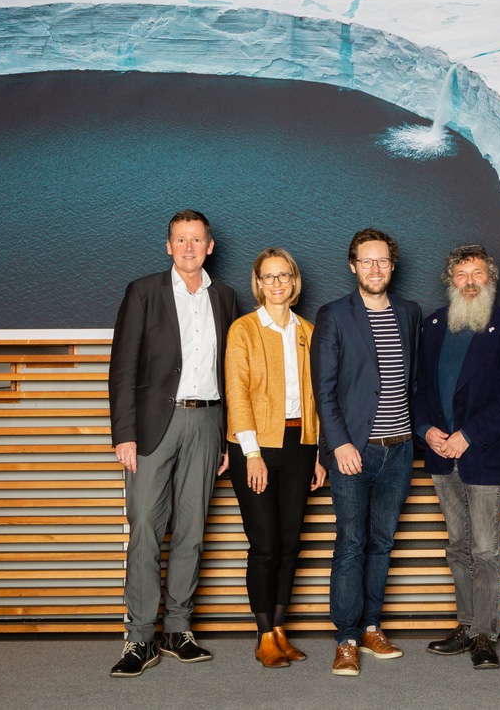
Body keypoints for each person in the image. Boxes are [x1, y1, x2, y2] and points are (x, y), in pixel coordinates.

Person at [107, 210, 238, 678]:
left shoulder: (225, 297)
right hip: (152, 427)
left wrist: (227, 437)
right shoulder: (143, 292)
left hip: (207, 424)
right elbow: (122, 367)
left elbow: (233, 374)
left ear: (210, 246)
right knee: (144, 525)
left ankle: (178, 629)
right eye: (180, 240)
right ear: (168, 247)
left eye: (196, 240)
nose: (188, 247)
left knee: (192, 529)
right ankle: (139, 636)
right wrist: (123, 434)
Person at [311, 228, 422, 677]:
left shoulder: (410, 313)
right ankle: (346, 639)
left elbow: (413, 381)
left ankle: (372, 625)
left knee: (382, 543)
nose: (375, 269)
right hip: (353, 453)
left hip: (399, 452)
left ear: (392, 267)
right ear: (353, 265)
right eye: (366, 261)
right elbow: (325, 388)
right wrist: (339, 444)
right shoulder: (335, 315)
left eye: (383, 262)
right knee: (351, 544)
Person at [415, 245, 500, 670]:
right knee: (457, 547)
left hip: (484, 456)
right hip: (442, 456)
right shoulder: (433, 326)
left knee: (484, 549)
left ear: (490, 279)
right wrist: (426, 431)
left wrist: (468, 435)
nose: (469, 280)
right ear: (450, 281)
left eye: (477, 273)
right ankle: (466, 624)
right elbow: (420, 389)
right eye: (461, 273)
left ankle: (485, 633)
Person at [225, 248, 327, 668]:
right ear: (258, 283)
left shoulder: (308, 330)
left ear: (294, 282)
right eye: (269, 277)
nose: (277, 283)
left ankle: (281, 630)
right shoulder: (243, 329)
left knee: (289, 543)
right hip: (256, 447)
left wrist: (318, 452)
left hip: (300, 445)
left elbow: (318, 397)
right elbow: (238, 394)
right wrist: (251, 454)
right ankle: (264, 633)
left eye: (284, 275)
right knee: (265, 544)